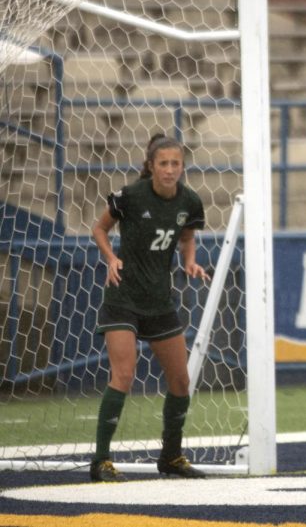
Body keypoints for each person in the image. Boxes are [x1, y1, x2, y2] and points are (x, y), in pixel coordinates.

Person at [89, 134, 209, 483]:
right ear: (151, 166)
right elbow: (99, 228)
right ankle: (100, 461)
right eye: (163, 164)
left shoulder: (189, 201)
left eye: (176, 164)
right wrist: (111, 258)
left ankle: (171, 457)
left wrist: (190, 261)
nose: (170, 170)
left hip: (159, 301)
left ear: (182, 166)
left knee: (181, 380)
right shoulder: (130, 195)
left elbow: (186, 235)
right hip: (123, 297)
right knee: (124, 375)